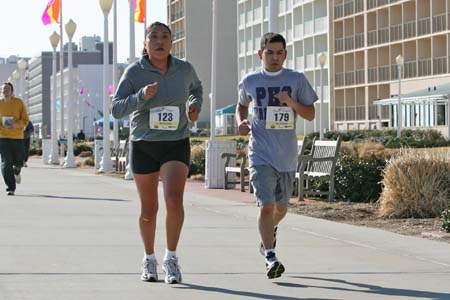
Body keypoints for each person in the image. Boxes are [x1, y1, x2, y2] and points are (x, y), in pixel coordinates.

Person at [112, 22, 203, 284]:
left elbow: (197, 89)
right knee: (149, 209)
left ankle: (171, 258)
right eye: (154, 37)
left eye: (165, 36)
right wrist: (141, 95)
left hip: (176, 140)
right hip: (144, 143)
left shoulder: (184, 69)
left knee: (174, 199)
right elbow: (116, 109)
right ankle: (148, 258)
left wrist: (194, 105)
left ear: (172, 42)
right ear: (145, 43)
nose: (159, 41)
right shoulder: (134, 71)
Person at [236, 32, 317, 279]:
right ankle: (270, 257)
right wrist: (241, 122)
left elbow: (311, 114)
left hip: (286, 155)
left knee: (280, 209)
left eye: (279, 52)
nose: (274, 57)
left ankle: (267, 236)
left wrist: (291, 103)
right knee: (266, 206)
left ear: (285, 54)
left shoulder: (296, 79)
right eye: (269, 52)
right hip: (260, 152)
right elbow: (241, 106)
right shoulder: (250, 80)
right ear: (261, 54)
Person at [0, 82, 30, 195]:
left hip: (17, 137)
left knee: (18, 161)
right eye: (3, 89)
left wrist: (17, 125)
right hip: (2, 137)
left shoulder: (19, 102)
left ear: (12, 91)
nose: (5, 91)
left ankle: (17, 170)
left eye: (7, 89)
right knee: (6, 162)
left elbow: (25, 120)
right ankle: (10, 187)